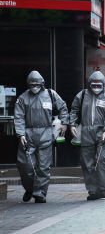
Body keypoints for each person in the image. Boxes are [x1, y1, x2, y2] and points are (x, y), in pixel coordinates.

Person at [14, 71, 70, 203]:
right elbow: (19, 117)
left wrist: (65, 123)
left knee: (43, 167)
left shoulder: (50, 95)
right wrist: (21, 134)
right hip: (28, 135)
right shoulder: (23, 98)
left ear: (42, 83)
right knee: (25, 166)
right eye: (32, 84)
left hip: (46, 133)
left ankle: (40, 193)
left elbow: (62, 107)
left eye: (37, 84)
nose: (34, 86)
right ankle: (30, 188)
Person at [69, 71, 105, 200]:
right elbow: (74, 110)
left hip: (102, 132)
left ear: (104, 85)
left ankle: (104, 189)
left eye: (99, 85)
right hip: (86, 132)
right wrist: (72, 124)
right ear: (90, 84)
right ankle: (93, 191)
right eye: (94, 85)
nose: (96, 88)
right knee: (87, 162)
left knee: (103, 161)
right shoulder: (83, 95)